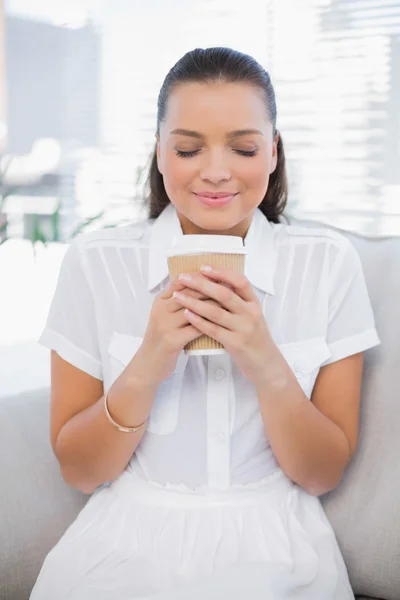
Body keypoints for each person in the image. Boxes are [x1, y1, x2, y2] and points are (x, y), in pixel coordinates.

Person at [30, 47, 380, 600]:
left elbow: (321, 474)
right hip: (121, 548)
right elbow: (79, 471)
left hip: (278, 549)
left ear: (272, 153)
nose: (216, 171)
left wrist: (264, 359)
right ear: (161, 154)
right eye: (189, 148)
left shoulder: (327, 264)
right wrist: (149, 362)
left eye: (243, 148)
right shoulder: (96, 262)